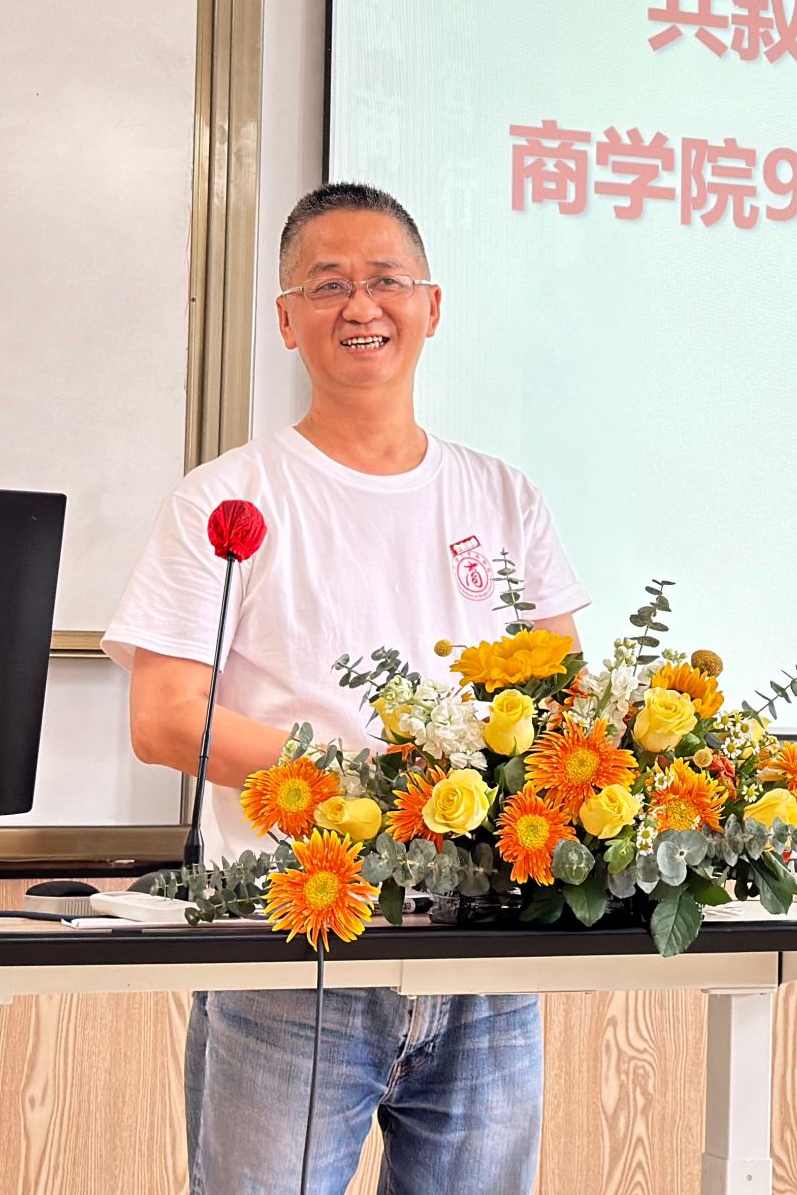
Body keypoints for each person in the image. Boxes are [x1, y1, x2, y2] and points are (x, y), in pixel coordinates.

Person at [105, 183, 588, 1194]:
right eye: (327, 286)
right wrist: (365, 782)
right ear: (287, 320)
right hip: (295, 946)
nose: (360, 306)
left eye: (385, 281)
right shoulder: (225, 498)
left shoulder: (503, 496)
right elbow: (164, 720)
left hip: (483, 953)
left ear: (431, 306)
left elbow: (567, 710)